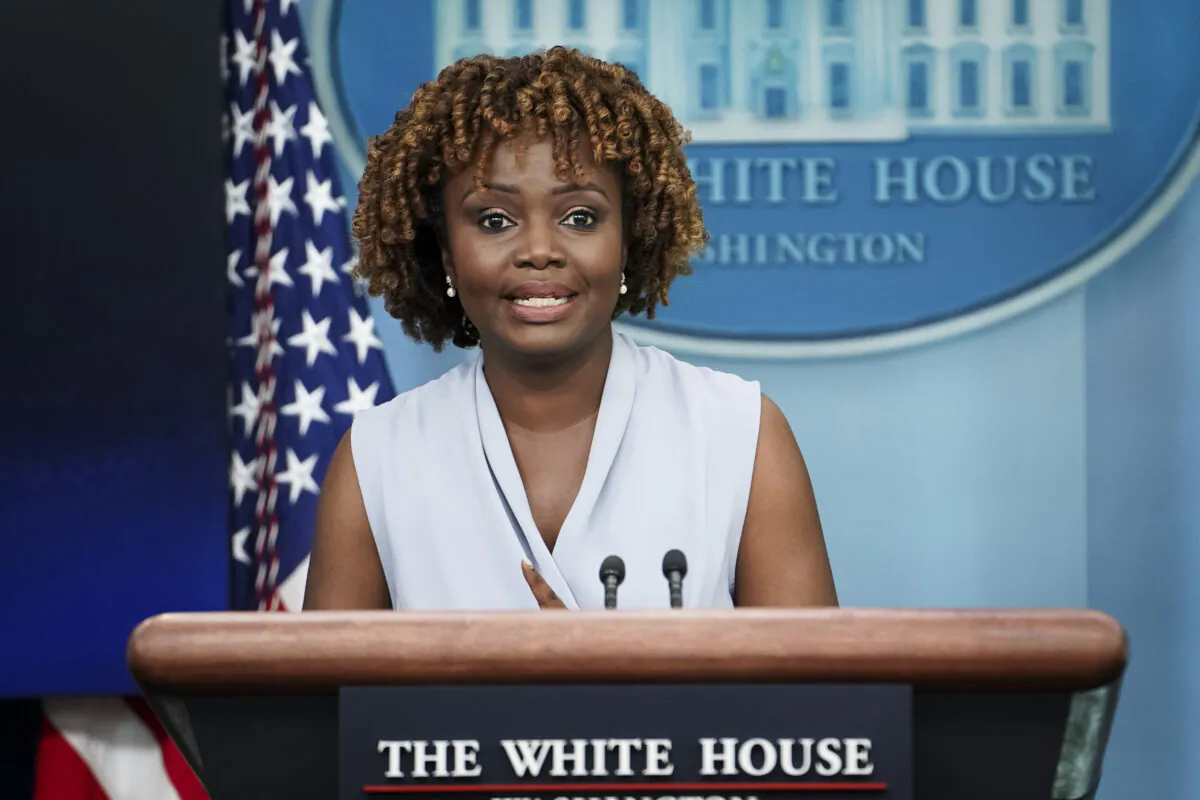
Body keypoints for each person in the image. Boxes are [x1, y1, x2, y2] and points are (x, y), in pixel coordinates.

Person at [303, 47, 837, 612]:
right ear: (446, 255)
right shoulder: (378, 458)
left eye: (579, 217)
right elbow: (321, 699)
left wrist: (604, 685)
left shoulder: (740, 433)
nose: (539, 251)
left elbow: (816, 697)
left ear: (629, 240)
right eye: (495, 220)